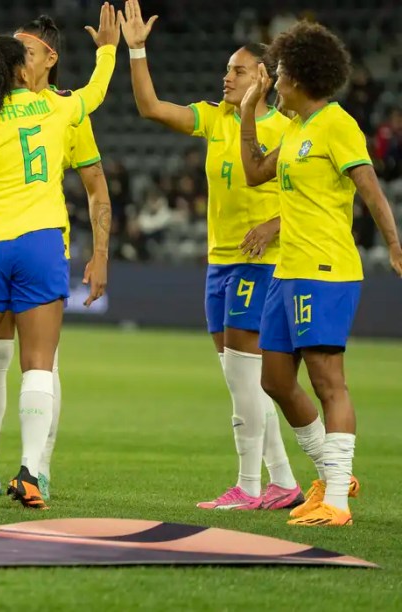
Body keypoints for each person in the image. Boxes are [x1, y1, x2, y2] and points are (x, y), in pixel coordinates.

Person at [0, 3, 119, 509]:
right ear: (19, 67)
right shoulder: (61, 109)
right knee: (39, 366)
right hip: (41, 243)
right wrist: (110, 50)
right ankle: (30, 473)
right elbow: (97, 93)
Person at [119, 0, 301, 510]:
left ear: (262, 77)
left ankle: (248, 487)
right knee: (239, 379)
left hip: (260, 264)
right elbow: (152, 107)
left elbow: (314, 201)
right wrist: (136, 50)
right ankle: (282, 482)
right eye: (225, 70)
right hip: (219, 262)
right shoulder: (217, 118)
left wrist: (273, 224)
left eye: (237, 70)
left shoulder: (287, 131)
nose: (226, 78)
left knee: (247, 377)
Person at [239, 21, 402, 526]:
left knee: (329, 381)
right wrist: (248, 114)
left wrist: (395, 245)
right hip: (288, 272)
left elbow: (371, 191)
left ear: (301, 77)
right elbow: (253, 173)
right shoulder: (292, 129)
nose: (275, 81)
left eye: (281, 73)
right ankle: (332, 475)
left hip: (325, 269)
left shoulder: (337, 124)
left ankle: (337, 500)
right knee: (275, 380)